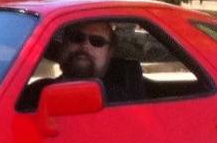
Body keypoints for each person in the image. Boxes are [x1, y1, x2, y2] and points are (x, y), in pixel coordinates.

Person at [17, 21, 147, 110]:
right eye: (76, 37)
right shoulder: (33, 94)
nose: (85, 45)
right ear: (63, 44)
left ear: (109, 53)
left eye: (97, 41)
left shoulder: (123, 102)